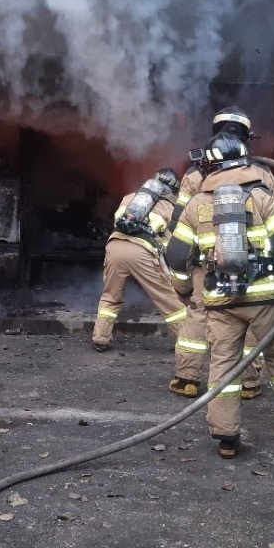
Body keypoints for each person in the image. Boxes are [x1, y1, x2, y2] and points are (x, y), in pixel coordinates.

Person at [165, 133, 274, 459]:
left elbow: (177, 256)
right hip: (269, 300)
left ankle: (226, 439)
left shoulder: (196, 205)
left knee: (223, 365)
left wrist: (183, 289)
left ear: (210, 166)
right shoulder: (263, 197)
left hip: (222, 302)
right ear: (245, 162)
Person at [168, 106, 274, 400]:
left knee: (200, 312)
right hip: (254, 264)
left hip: (207, 261)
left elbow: (179, 219)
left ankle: (187, 377)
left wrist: (185, 261)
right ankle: (249, 382)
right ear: (246, 135)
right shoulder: (261, 173)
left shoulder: (195, 173)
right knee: (251, 317)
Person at [93, 168, 207, 396]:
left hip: (114, 246)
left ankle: (100, 338)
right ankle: (186, 342)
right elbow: (171, 244)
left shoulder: (130, 198)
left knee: (110, 296)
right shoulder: (170, 207)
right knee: (169, 302)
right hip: (142, 253)